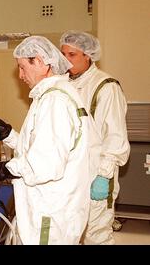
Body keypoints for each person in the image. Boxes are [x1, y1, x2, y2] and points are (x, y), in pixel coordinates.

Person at [0, 36, 91, 245]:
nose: (21, 75)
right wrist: (8, 134)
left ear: (40, 62)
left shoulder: (55, 101)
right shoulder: (57, 94)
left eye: (23, 68)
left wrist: (7, 168)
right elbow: (41, 147)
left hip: (50, 214)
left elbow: (46, 165)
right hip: (55, 209)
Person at [60, 31, 130, 245]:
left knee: (96, 237)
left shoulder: (106, 86)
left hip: (95, 176)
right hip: (69, 178)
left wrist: (103, 176)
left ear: (88, 55)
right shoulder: (61, 84)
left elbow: (115, 137)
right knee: (70, 235)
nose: (65, 60)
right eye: (63, 54)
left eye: (72, 55)